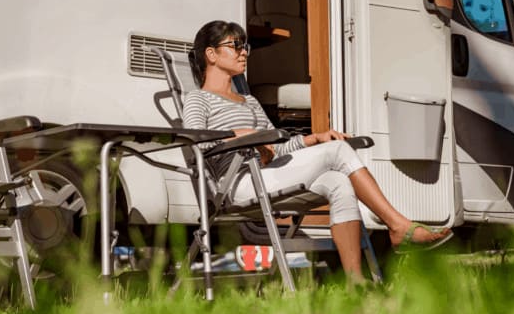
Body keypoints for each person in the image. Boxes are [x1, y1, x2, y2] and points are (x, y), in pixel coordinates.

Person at [183, 20, 452, 282]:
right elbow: (197, 144)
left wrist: (314, 138)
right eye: (235, 45)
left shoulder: (249, 101)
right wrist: (242, 136)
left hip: (266, 175)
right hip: (237, 184)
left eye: (245, 46)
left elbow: (277, 146)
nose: (244, 52)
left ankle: (355, 282)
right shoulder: (198, 99)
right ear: (211, 54)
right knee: (337, 151)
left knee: (338, 182)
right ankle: (398, 226)